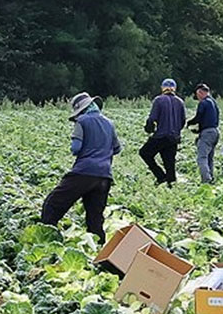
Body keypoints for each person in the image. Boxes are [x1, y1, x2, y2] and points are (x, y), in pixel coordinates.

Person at [40, 92, 122, 244]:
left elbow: (76, 148)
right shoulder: (109, 123)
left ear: (81, 110)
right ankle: (99, 251)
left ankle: (45, 238)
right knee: (95, 218)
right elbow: (117, 148)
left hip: (84, 172)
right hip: (104, 176)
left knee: (53, 203)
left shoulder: (82, 121)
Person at [139, 78, 186, 186]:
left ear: (162, 88)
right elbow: (183, 121)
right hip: (174, 137)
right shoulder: (180, 102)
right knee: (169, 162)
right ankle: (171, 184)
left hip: (160, 135)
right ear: (175, 89)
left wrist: (149, 129)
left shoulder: (159, 100)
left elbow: (152, 119)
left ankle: (160, 176)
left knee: (145, 153)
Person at [188, 84, 220, 184]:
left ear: (200, 93)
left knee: (202, 158)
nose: (198, 98)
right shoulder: (213, 102)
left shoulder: (203, 103)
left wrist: (189, 123)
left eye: (197, 96)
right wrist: (198, 130)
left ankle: (206, 180)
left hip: (207, 133)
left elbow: (199, 117)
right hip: (215, 131)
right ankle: (211, 178)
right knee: (210, 157)